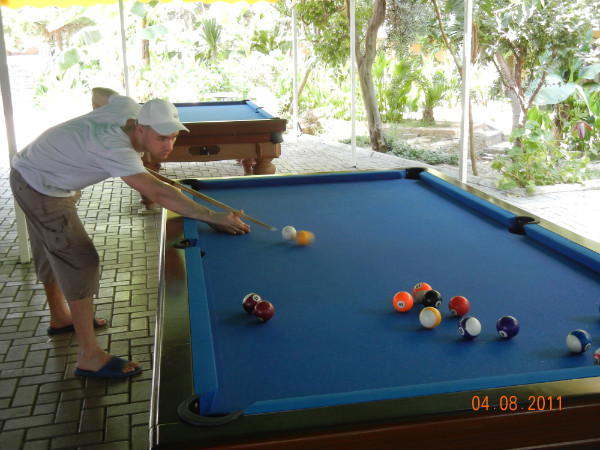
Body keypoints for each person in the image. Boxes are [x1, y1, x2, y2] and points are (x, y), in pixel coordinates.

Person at [10, 88, 251, 378]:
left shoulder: (127, 107)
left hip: (36, 171)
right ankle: (89, 356)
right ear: (140, 129)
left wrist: (86, 135)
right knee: (80, 260)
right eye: (161, 138)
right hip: (39, 185)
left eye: (174, 136)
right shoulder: (116, 148)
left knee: (51, 246)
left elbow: (100, 93)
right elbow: (158, 192)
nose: (169, 145)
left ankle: (61, 317)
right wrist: (211, 216)